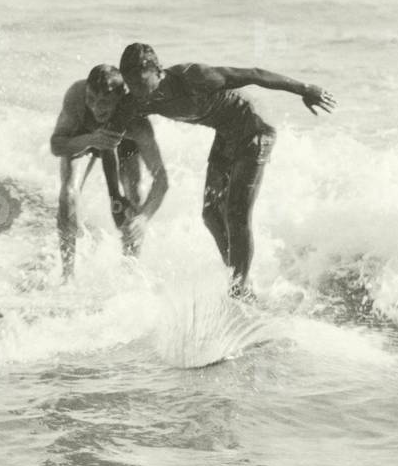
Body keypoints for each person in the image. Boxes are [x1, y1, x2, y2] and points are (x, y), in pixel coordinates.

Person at [117, 43, 336, 297]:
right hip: (227, 134)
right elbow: (112, 120)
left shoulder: (193, 77)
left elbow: (254, 74)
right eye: (132, 86)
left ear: (158, 70)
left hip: (255, 127)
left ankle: (238, 288)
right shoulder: (140, 98)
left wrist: (305, 89)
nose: (139, 94)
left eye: (143, 84)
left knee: (236, 212)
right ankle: (240, 282)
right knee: (210, 214)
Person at [50, 64, 168, 280]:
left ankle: (129, 271)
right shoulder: (77, 97)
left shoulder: (138, 124)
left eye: (104, 102)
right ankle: (67, 277)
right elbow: (56, 145)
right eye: (91, 100)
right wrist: (90, 139)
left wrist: (144, 217)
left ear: (120, 98)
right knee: (68, 195)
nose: (95, 108)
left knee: (135, 198)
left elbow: (161, 178)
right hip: (83, 138)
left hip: (123, 144)